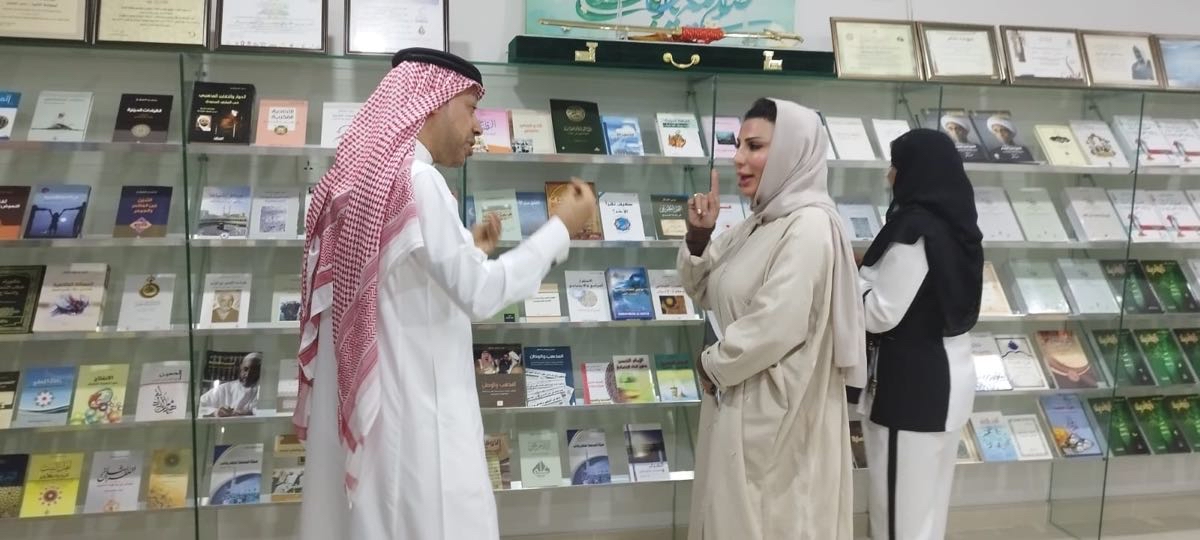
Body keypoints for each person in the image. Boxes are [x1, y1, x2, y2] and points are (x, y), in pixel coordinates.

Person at [294, 48, 596, 540]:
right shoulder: (418, 181)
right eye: (471, 108)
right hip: (418, 424)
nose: (478, 127)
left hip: (381, 421)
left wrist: (466, 250)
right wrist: (560, 229)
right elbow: (482, 294)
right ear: (432, 103)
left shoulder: (360, 180)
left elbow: (394, 277)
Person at [678, 98, 866, 540]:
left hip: (776, 415)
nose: (738, 158)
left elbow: (775, 324)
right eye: (738, 145)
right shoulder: (763, 220)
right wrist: (699, 236)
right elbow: (706, 289)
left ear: (790, 152)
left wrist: (711, 363)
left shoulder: (808, 227)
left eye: (755, 146)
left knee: (769, 520)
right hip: (742, 401)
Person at [858, 129, 983, 540]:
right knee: (927, 515)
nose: (889, 176)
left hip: (910, 392)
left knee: (898, 519)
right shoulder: (957, 225)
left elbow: (880, 312)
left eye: (896, 166)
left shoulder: (914, 230)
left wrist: (848, 283)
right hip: (946, 380)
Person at [198, 352, 261, 417]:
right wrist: (215, 412)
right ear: (240, 367)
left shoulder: (263, 392)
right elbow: (198, 406)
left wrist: (250, 412)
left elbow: (265, 412)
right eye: (245, 369)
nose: (247, 375)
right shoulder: (224, 388)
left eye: (254, 371)